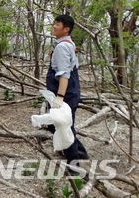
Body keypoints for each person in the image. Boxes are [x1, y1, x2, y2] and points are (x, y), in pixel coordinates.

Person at [46, 14, 89, 170]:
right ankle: (79, 152)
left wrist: (60, 97)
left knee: (63, 127)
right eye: (55, 23)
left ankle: (74, 167)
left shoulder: (63, 47)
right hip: (70, 91)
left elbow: (64, 74)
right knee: (56, 124)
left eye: (58, 24)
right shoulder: (68, 44)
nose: (54, 26)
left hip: (65, 93)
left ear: (66, 29)